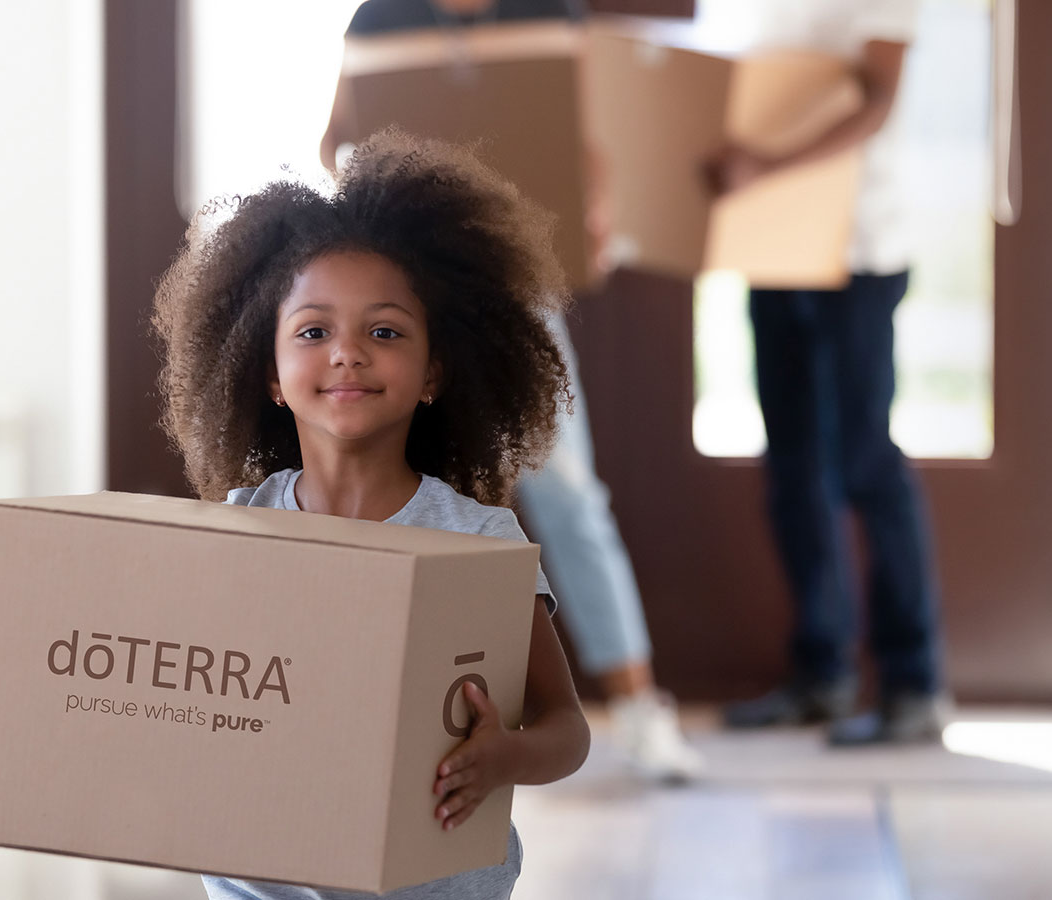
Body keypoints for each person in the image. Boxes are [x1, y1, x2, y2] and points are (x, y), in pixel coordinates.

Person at [152, 130, 591, 900]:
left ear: (433, 375)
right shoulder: (236, 530)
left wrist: (504, 757)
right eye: (314, 331)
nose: (347, 353)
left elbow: (568, 729)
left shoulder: (476, 541)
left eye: (384, 332)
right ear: (272, 376)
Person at [320, 0, 702, 782]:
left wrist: (592, 207)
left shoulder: (547, 11)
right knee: (402, 495)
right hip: (411, 286)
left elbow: (583, 142)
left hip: (516, 290)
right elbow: (335, 144)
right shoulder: (379, 18)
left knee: (565, 490)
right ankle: (383, 706)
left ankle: (638, 708)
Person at [703, 0, 952, 745]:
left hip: (858, 253)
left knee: (865, 464)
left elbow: (875, 99)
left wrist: (768, 165)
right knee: (792, 470)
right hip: (775, 249)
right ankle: (822, 676)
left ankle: (915, 685)